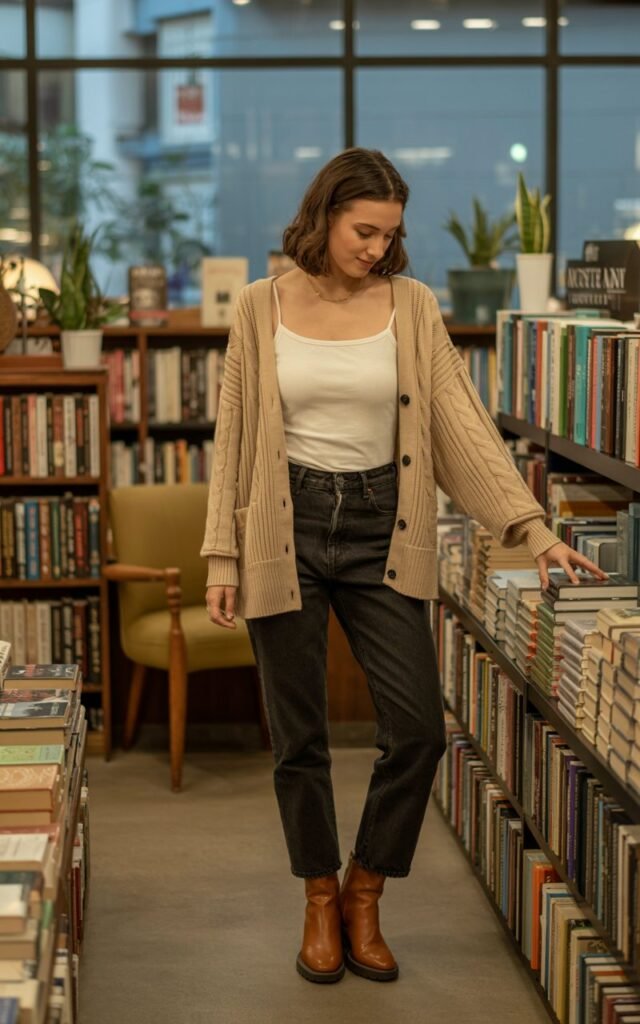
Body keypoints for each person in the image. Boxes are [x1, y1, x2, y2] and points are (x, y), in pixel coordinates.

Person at [201, 147, 606, 985]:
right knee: (300, 737)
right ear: (322, 218)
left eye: (390, 234)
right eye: (364, 231)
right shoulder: (258, 306)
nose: (377, 249)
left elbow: (460, 426)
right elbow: (234, 438)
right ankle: (318, 895)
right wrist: (221, 556)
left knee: (417, 727)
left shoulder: (413, 307)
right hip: (287, 525)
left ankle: (366, 887)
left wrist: (531, 528)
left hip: (385, 527)